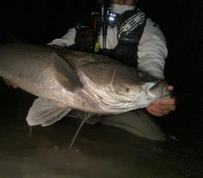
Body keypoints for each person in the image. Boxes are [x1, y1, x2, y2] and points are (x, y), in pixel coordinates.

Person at [47, 0, 176, 141]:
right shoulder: (89, 20)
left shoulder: (149, 29)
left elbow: (152, 64)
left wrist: (158, 102)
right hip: (74, 94)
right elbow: (55, 47)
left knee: (153, 138)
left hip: (118, 105)